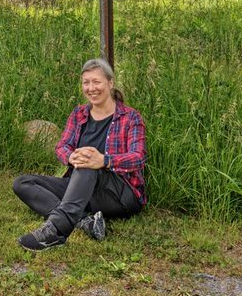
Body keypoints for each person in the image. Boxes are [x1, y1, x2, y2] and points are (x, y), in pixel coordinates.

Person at [13, 58, 146, 250]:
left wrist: (103, 160)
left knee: (88, 164)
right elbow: (62, 146)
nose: (91, 88)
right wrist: (70, 157)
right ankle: (84, 221)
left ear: (110, 83)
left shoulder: (130, 117)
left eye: (97, 82)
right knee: (22, 183)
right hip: (81, 185)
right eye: (86, 82)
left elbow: (138, 157)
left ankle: (56, 231)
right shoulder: (79, 114)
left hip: (119, 192)